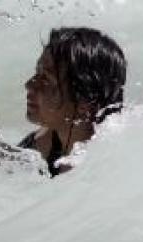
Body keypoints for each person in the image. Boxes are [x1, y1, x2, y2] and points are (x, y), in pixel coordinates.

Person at [19, 27, 127, 176]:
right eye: (38, 72)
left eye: (46, 79)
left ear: (85, 103)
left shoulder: (101, 168)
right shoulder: (41, 144)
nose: (29, 84)